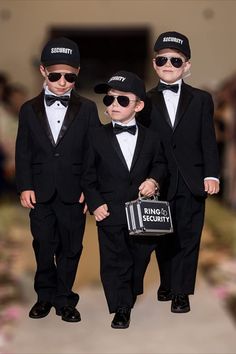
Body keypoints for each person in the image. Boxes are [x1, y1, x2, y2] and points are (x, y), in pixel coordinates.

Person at [15, 37, 100, 322]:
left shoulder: (87, 109)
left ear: (77, 73)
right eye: (55, 75)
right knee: (43, 245)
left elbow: (92, 151)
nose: (62, 82)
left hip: (74, 191)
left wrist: (89, 189)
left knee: (72, 247)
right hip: (40, 190)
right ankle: (44, 296)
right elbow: (23, 149)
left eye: (70, 76)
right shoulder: (28, 109)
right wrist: (25, 184)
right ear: (43, 72)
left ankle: (65, 299)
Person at [137, 31, 220, 313]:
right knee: (162, 236)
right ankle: (168, 281)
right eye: (163, 60)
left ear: (187, 65)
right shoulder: (143, 101)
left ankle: (181, 292)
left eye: (176, 59)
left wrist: (212, 174)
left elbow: (208, 140)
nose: (169, 64)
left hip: (192, 179)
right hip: (159, 180)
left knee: (189, 235)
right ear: (154, 63)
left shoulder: (201, 99)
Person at [81, 70, 167, 328]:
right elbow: (87, 175)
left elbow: (161, 164)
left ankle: (130, 291)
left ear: (138, 105)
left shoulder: (152, 138)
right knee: (114, 260)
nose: (114, 105)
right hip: (110, 210)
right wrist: (95, 204)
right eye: (109, 100)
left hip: (141, 211)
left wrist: (153, 180)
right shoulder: (96, 137)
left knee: (139, 257)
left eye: (122, 100)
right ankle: (120, 307)